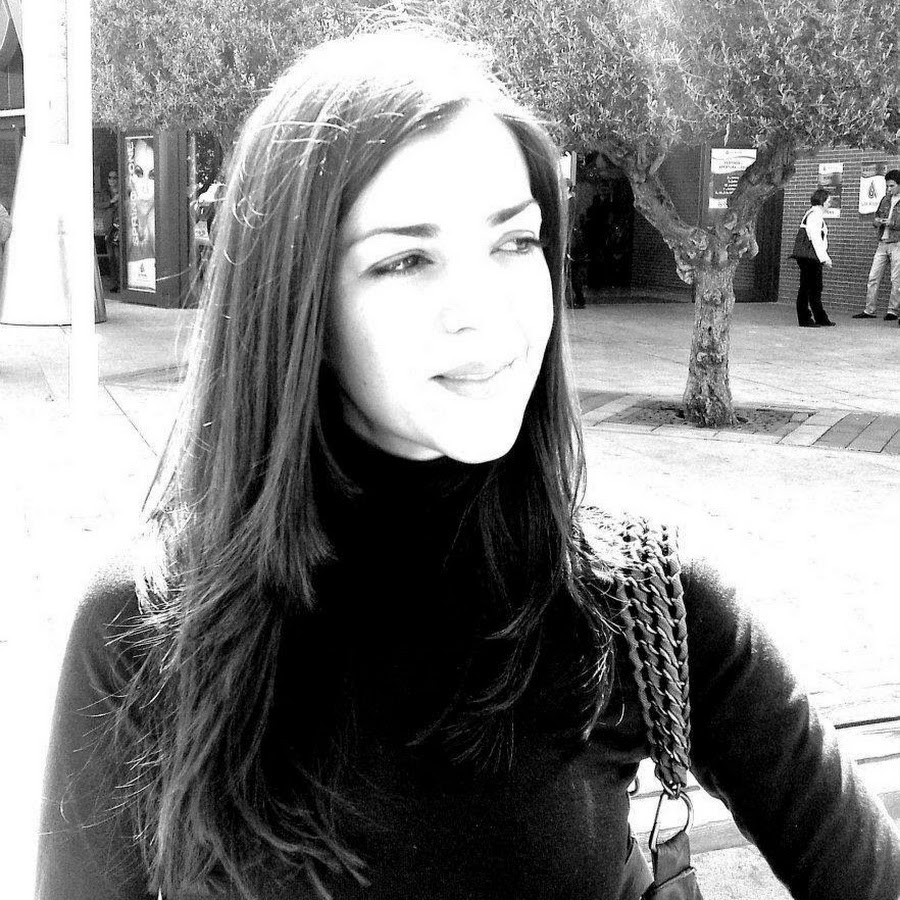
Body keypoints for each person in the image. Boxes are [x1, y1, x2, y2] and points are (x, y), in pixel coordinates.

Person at [37, 30, 900, 900]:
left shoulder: (641, 601)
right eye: (405, 259)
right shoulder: (147, 624)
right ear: (298, 304)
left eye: (516, 243)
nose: (485, 312)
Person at [853, 168, 900, 321]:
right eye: (887, 186)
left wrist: (892, 223)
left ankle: (893, 311)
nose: (889, 189)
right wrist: (877, 222)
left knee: (896, 279)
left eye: (892, 186)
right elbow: (876, 217)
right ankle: (869, 310)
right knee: (873, 277)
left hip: (897, 243)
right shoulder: (885, 200)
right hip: (882, 242)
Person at [793, 187, 835, 327]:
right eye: (828, 201)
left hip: (810, 257)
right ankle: (806, 318)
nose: (829, 204)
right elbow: (815, 239)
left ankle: (819, 317)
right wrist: (825, 258)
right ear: (822, 201)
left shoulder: (814, 214)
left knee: (813, 287)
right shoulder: (815, 215)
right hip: (810, 258)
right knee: (808, 288)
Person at [104, 170, 121, 292]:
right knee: (111, 258)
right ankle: (114, 283)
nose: (112, 180)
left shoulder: (123, 191)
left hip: (120, 228)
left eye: (115, 177)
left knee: (119, 257)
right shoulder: (105, 193)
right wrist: (112, 201)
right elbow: (97, 204)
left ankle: (121, 283)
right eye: (110, 177)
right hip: (109, 229)